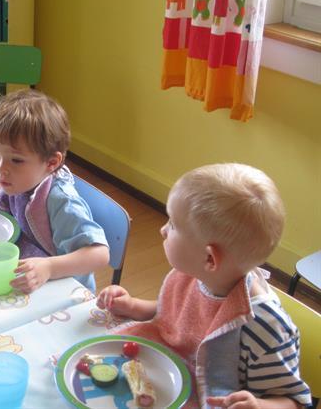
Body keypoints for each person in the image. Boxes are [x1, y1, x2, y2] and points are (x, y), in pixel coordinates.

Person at [97, 163, 311, 409]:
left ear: (210, 258)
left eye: (173, 224)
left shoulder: (264, 328)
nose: (163, 230)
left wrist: (259, 406)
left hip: (210, 396)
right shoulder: (201, 274)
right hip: (168, 373)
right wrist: (135, 306)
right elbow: (182, 314)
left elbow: (295, 401)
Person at [0, 89, 109, 294]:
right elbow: (25, 213)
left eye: (16, 160)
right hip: (31, 277)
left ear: (51, 163)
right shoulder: (22, 181)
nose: (1, 169)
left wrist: (49, 267)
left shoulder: (61, 202)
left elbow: (100, 254)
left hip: (64, 291)